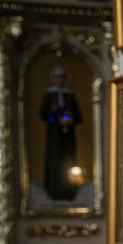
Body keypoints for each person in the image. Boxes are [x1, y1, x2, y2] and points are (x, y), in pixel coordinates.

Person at [39, 66, 83, 201]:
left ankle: (69, 192)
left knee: (68, 161)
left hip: (68, 137)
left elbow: (78, 117)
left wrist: (69, 119)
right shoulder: (50, 95)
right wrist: (54, 116)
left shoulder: (70, 96)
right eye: (57, 78)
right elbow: (43, 114)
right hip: (54, 136)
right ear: (53, 79)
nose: (60, 81)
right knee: (55, 162)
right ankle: (54, 191)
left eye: (62, 78)